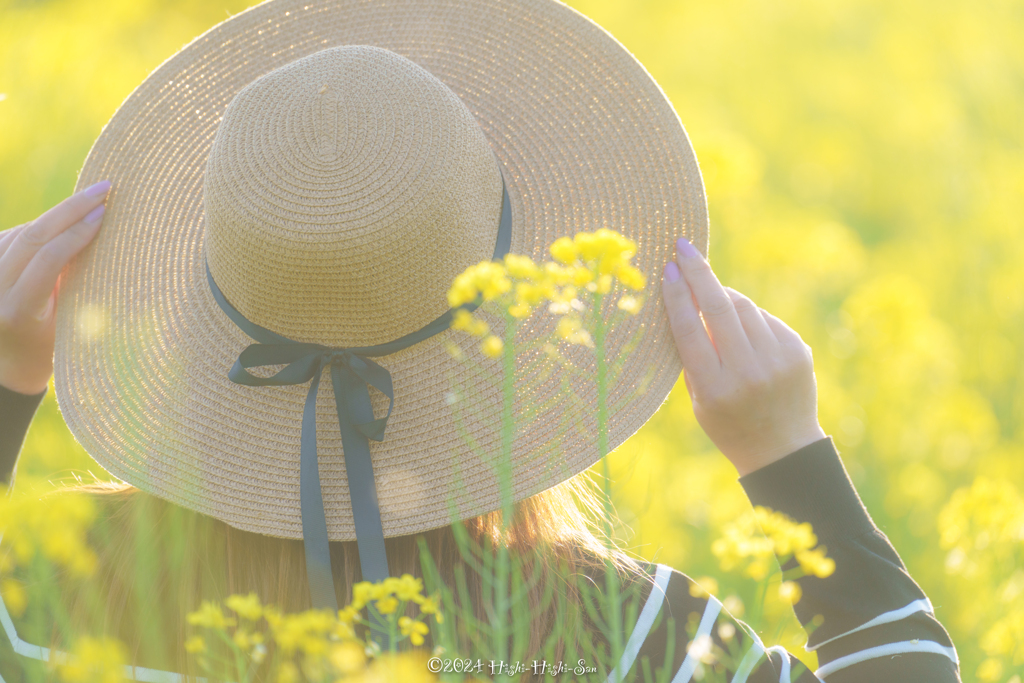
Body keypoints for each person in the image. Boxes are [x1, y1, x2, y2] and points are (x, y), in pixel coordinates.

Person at [0, 1, 960, 681]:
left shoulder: (49, 597)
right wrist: (788, 459)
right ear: (515, 305)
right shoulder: (612, 639)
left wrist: (6, 385)